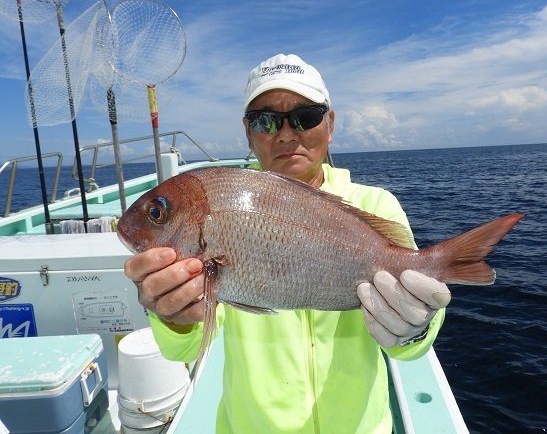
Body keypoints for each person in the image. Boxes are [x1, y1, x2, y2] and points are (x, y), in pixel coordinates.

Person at [124, 53, 451, 433]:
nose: (285, 134)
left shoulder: (377, 206)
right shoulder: (222, 206)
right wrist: (171, 315)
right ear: (248, 132)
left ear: (329, 124)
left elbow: (408, 350)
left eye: (306, 117)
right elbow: (183, 351)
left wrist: (417, 327)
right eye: (265, 120)